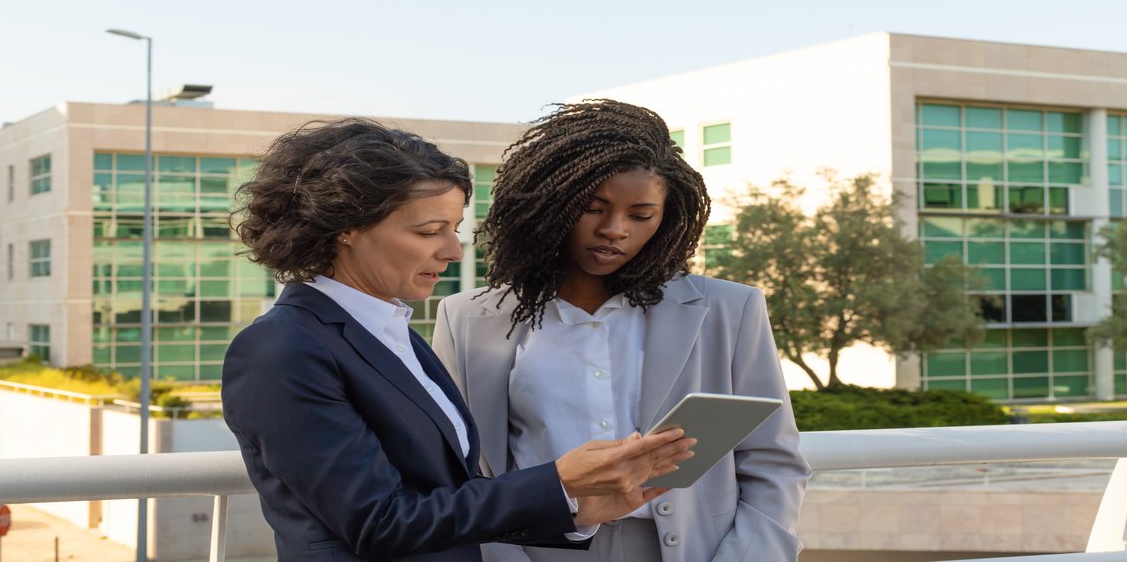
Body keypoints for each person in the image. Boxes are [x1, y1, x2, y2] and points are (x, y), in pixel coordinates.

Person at [221, 118, 696, 562]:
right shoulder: (280, 348)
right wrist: (556, 480)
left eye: (454, 229)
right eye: (430, 231)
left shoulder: (393, 335)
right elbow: (377, 522)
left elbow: (448, 500)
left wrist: (578, 508)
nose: (451, 251)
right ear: (345, 227)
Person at [433, 100, 811, 562]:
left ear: (666, 218)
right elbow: (460, 473)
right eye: (594, 208)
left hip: (696, 551)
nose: (615, 230)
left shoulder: (730, 310)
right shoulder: (467, 318)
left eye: (640, 215)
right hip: (531, 551)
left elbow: (773, 463)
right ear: (551, 204)